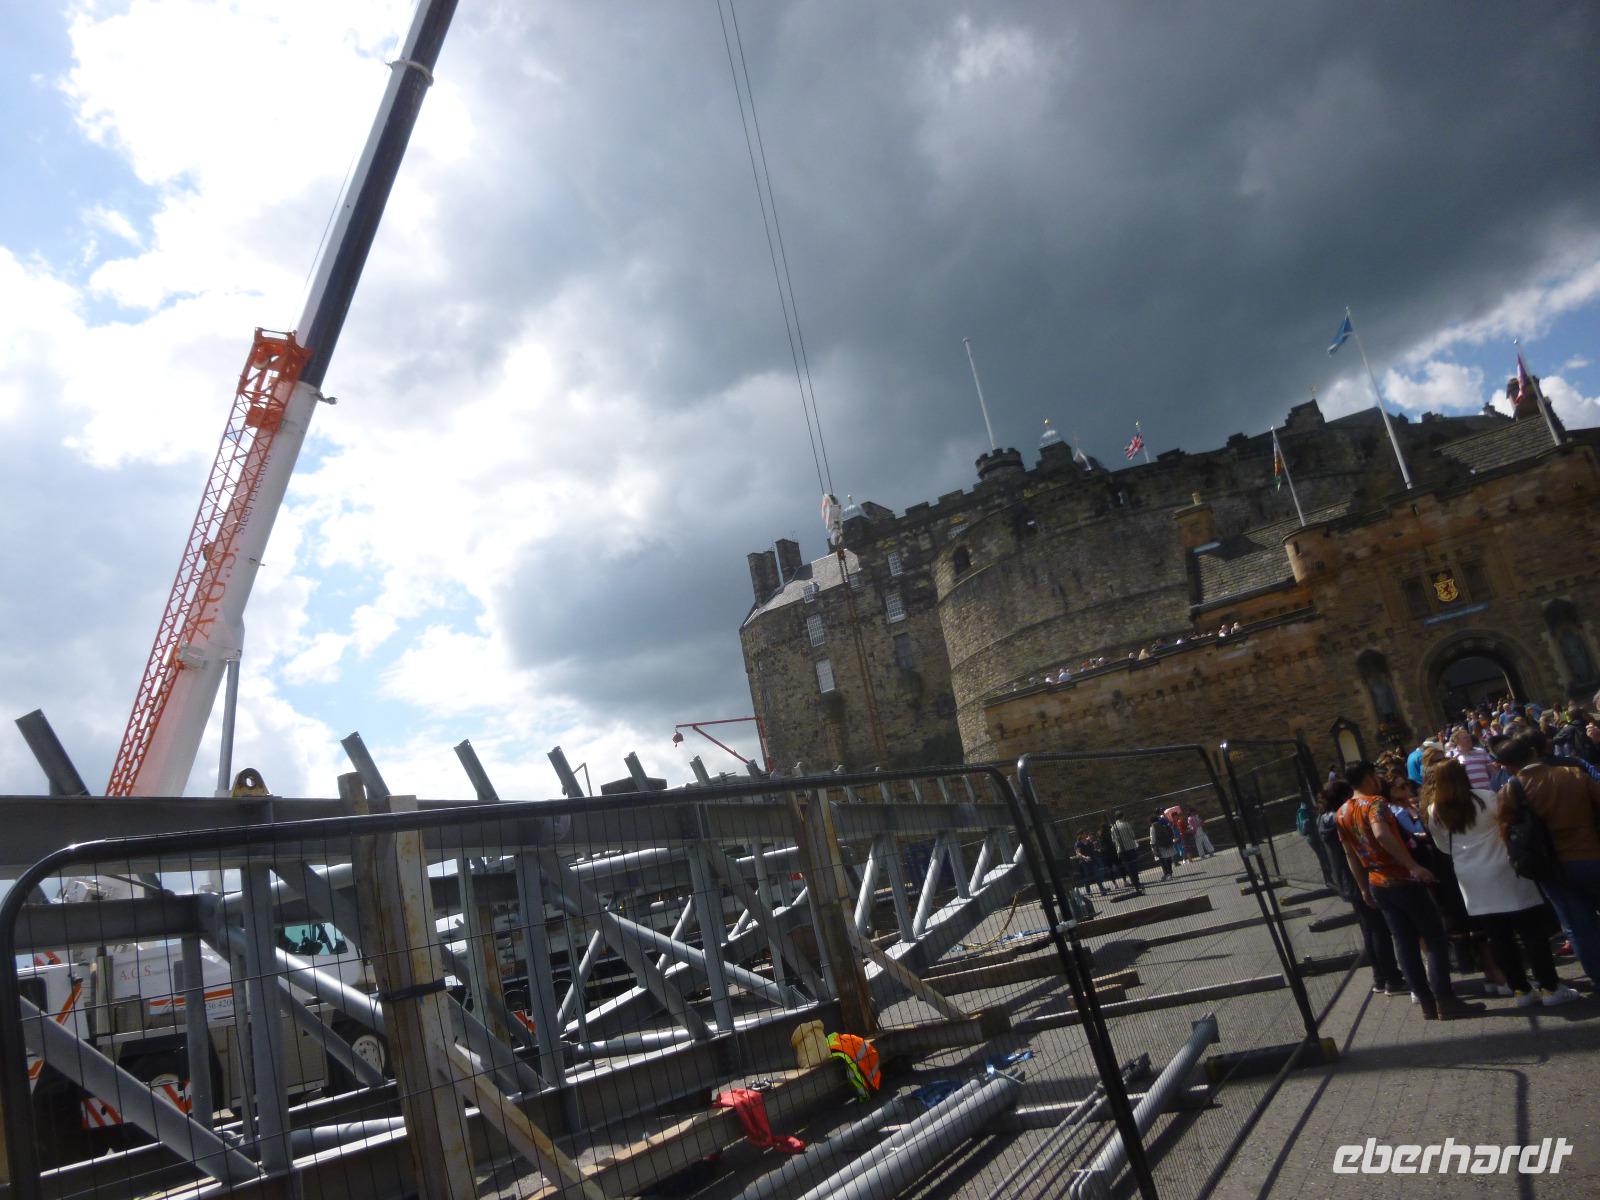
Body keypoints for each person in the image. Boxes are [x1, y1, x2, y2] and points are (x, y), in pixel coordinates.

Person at [1423, 759, 1578, 1006]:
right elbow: (1506, 824)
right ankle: (1549, 987)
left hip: (1471, 876)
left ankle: (1520, 990)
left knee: (1498, 937)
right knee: (1531, 932)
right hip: (1504, 868)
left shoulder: (1435, 811)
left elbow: (1443, 846)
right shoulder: (1487, 797)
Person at [1335, 761, 1474, 1020]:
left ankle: (1426, 1002)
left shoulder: (1341, 813)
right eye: (1375, 776)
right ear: (1367, 778)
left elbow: (1350, 854)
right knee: (1434, 938)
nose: (1379, 781)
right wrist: (1412, 866)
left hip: (1376, 882)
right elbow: (1382, 833)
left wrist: (1363, 887)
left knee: (1404, 942)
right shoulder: (1375, 803)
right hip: (1401, 878)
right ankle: (1445, 998)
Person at [1494, 730, 1600, 989]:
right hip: (1590, 853)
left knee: (1578, 926)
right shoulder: (1572, 774)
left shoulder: (1511, 790)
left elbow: (1506, 832)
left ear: (1507, 766)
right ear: (1533, 752)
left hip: (1551, 865)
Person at [1319, 780, 1403, 995]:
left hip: (1348, 881)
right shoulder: (1338, 818)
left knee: (1370, 929)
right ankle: (1391, 978)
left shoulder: (1324, 819)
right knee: (1377, 929)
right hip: (1358, 878)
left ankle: (1381, 977)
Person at [1110, 810, 1143, 893]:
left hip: (1120, 850)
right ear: (1123, 816)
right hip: (1130, 847)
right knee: (1134, 865)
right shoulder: (1126, 824)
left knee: (1127, 866)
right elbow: (1132, 835)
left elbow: (1113, 840)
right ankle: (1136, 881)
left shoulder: (1113, 828)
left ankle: (1132, 880)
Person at [1075, 831, 1110, 895]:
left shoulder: (1088, 841)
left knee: (1097, 875)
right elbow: (1078, 853)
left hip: (1092, 860)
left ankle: (1102, 890)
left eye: (1085, 833)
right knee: (1087, 877)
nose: (1085, 834)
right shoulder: (1078, 843)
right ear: (1080, 835)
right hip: (1084, 862)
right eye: (1083, 833)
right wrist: (1085, 857)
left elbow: (1093, 849)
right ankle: (1088, 892)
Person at [1149, 811, 1177, 879]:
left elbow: (1153, 838)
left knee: (1162, 860)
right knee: (1168, 858)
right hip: (1167, 843)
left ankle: (1166, 873)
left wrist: (1152, 845)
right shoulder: (1162, 824)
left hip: (1159, 845)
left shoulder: (1153, 827)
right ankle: (1170, 872)